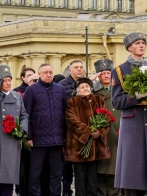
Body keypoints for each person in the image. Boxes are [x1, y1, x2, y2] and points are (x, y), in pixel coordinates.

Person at [111, 31, 147, 195]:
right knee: (132, 167)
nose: (141, 45)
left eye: (143, 42)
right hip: (133, 122)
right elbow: (116, 101)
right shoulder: (120, 70)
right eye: (137, 43)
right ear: (129, 47)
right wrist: (135, 97)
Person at [23, 63, 68, 196]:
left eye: (50, 72)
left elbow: (65, 112)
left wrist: (65, 135)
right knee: (35, 172)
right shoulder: (31, 90)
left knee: (56, 172)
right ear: (40, 74)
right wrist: (28, 136)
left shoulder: (60, 89)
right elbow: (26, 114)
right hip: (37, 139)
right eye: (45, 73)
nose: (48, 75)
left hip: (57, 139)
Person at [0, 64, 29, 196]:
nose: (8, 83)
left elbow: (24, 115)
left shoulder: (17, 96)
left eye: (9, 80)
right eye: (5, 81)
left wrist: (22, 130)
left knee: (9, 174)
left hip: (12, 139)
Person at [65, 77, 110, 196]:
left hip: (95, 146)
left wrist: (100, 132)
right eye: (82, 87)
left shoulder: (98, 100)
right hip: (79, 146)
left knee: (93, 178)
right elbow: (72, 121)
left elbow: (106, 119)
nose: (85, 89)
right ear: (77, 90)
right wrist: (89, 131)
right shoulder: (72, 101)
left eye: (87, 87)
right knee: (80, 177)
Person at [93, 59, 121, 196]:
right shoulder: (93, 92)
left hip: (116, 134)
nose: (106, 76)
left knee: (115, 166)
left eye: (108, 73)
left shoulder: (119, 91)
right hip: (99, 135)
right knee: (100, 168)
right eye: (102, 73)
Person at [59, 60, 85, 195]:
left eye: (81, 67)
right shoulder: (62, 86)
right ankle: (67, 190)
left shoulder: (86, 84)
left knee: (82, 164)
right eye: (76, 67)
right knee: (67, 164)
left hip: (84, 130)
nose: (79, 70)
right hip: (68, 130)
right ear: (70, 70)